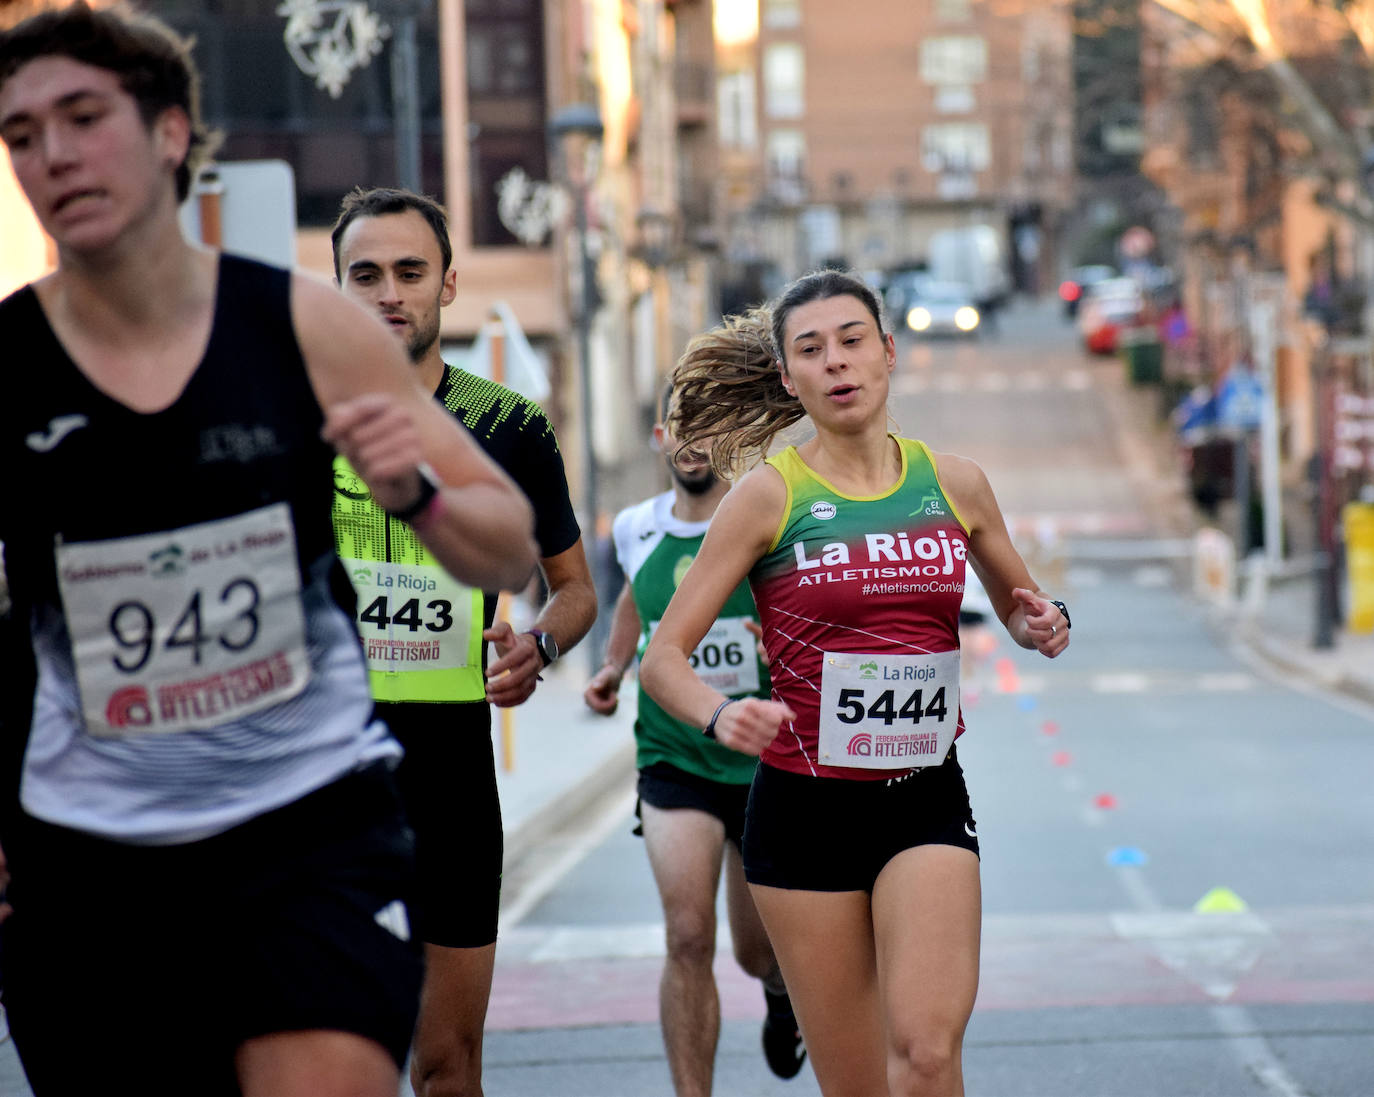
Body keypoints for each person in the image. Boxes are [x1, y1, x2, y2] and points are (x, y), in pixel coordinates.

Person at [0, 6, 538, 1096]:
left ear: (167, 132)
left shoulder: (303, 325)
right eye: (19, 135)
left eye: (82, 116)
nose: (52, 154)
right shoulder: (6, 362)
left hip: (306, 824)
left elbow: (505, 543)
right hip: (88, 846)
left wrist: (418, 493)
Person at [639, 269, 1070, 1097]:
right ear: (789, 376)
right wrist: (720, 714)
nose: (835, 362)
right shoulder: (769, 497)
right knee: (861, 1086)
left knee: (929, 1054)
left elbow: (1023, 606)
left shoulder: (955, 482)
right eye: (811, 349)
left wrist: (1044, 623)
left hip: (923, 795)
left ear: (888, 353)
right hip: (805, 813)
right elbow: (666, 660)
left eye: (851, 340)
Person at [330, 185, 596, 1097]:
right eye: (365, 274)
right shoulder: (294, 420)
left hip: (450, 777)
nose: (388, 292)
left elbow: (573, 589)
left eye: (410, 271)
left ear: (449, 283)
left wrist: (541, 649)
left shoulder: (508, 426)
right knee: (331, 1061)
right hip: (320, 781)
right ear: (338, 289)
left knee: (447, 1062)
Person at [583, 385, 804, 1095]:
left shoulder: (761, 522)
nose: (692, 441)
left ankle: (779, 993)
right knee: (686, 935)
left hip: (761, 763)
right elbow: (634, 605)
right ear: (659, 437)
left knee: (752, 951)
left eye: (707, 428)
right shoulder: (636, 527)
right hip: (673, 753)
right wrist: (614, 668)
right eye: (681, 427)